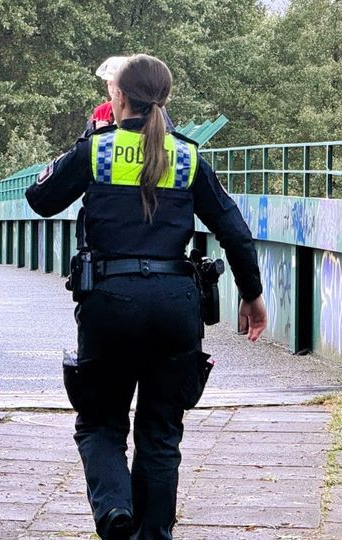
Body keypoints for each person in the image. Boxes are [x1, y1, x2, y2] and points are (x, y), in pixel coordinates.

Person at [25, 54, 267, 540]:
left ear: (118, 96)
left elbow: (40, 198)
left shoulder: (97, 151)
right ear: (164, 98)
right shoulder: (188, 156)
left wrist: (81, 145)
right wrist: (252, 295)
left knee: (100, 423)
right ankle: (153, 534)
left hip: (109, 304)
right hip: (175, 307)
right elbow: (234, 231)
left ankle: (115, 511)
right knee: (160, 434)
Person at [83, 55, 175, 139]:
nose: (112, 90)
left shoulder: (156, 110)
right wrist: (94, 131)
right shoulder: (101, 111)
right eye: (109, 84)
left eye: (114, 84)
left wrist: (102, 136)